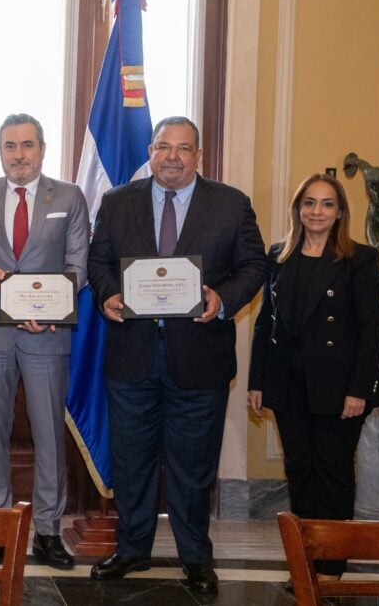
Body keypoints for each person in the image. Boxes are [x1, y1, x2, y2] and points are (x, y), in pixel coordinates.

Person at [87, 116, 267, 594]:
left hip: (200, 358)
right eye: (163, 147)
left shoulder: (230, 204)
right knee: (132, 461)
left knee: (194, 465)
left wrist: (223, 300)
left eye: (183, 148)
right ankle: (132, 549)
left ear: (198, 156)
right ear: (150, 152)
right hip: (132, 356)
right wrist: (107, 293)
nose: (172, 157)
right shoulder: (117, 202)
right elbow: (98, 262)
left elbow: (254, 265)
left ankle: (195, 557)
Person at [249, 173, 379, 584]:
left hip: (339, 387)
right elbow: (266, 322)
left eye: (327, 204)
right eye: (309, 203)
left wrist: (358, 389)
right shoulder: (279, 254)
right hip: (287, 383)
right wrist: (258, 380)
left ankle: (331, 567)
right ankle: (305, 563)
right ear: (298, 209)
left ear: (340, 212)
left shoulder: (360, 258)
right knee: (299, 472)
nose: (317, 211)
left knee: (333, 474)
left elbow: (370, 330)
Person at [0, 113, 87, 569]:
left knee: (49, 434)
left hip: (47, 335)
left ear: (42, 149)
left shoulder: (69, 197)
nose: (19, 155)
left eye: (27, 145)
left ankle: (48, 532)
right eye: (10, 146)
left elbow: (78, 266)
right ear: (0, 151)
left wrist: (49, 310)